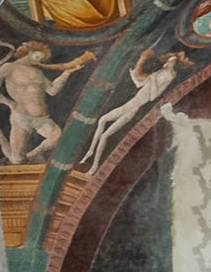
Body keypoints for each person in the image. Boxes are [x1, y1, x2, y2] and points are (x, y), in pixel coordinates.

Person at [0, 40, 96, 164]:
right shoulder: (9, 67)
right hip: (21, 117)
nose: (38, 61)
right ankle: (0, 135)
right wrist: (9, 103)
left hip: (42, 118)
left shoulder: (37, 72)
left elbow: (52, 90)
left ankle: (32, 154)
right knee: (16, 160)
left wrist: (66, 73)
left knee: (56, 137)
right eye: (37, 56)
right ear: (29, 52)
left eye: (40, 59)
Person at [80, 47, 189, 178]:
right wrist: (133, 75)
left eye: (172, 62)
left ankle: (94, 166)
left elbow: (153, 96)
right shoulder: (160, 72)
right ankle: (90, 152)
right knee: (102, 120)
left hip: (132, 108)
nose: (168, 63)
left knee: (105, 134)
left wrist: (153, 79)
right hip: (129, 103)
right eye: (168, 60)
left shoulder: (169, 76)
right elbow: (139, 85)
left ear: (175, 64)